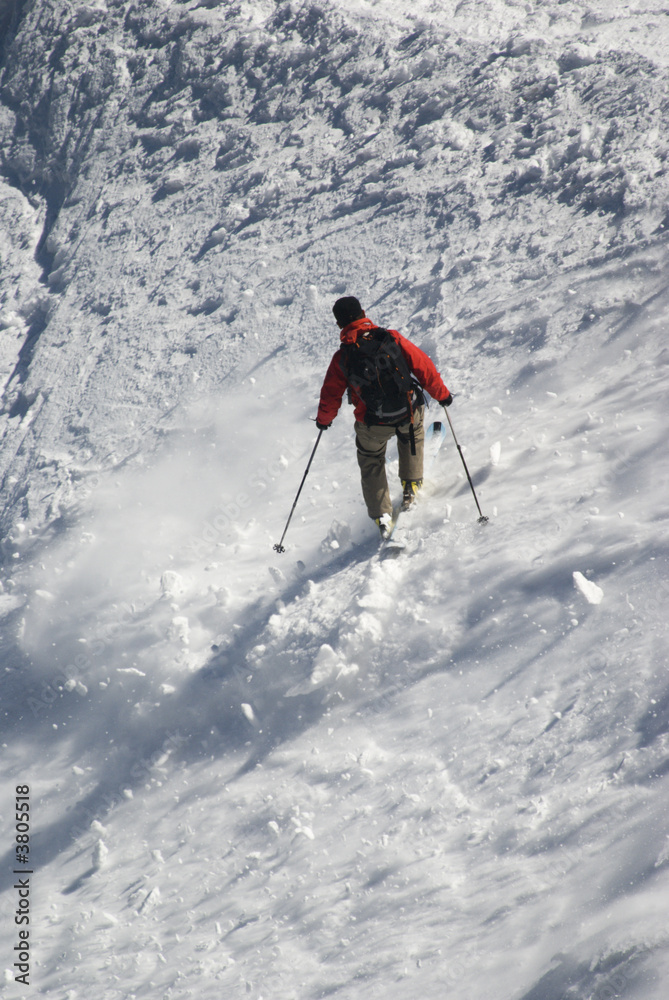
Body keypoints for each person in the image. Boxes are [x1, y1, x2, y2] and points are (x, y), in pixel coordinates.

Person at [316, 296, 452, 538]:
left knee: (371, 459)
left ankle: (381, 515)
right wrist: (441, 395)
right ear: (364, 312)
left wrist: (324, 421)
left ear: (339, 325)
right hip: (407, 411)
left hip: (371, 423)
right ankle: (411, 485)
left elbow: (330, 395)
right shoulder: (391, 338)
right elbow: (424, 366)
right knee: (411, 435)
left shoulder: (342, 358)